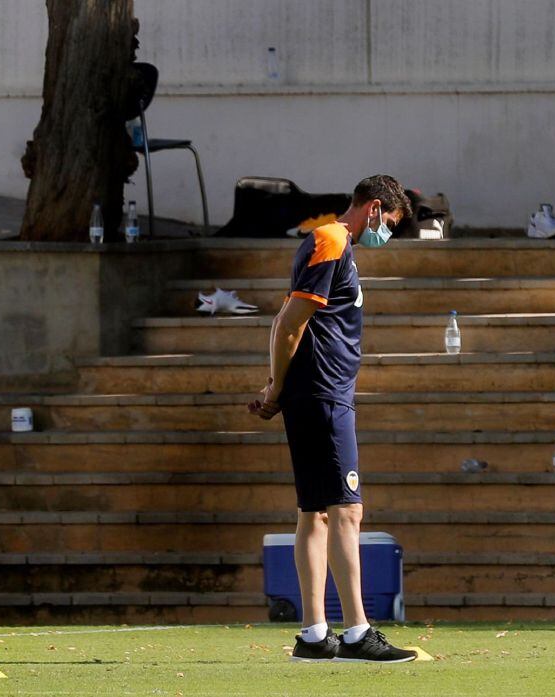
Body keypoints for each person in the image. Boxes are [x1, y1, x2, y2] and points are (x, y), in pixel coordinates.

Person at [248, 174, 416, 663]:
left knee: (315, 513)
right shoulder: (330, 239)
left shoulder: (334, 245)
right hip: (321, 394)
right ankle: (358, 631)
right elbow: (290, 322)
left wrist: (276, 385)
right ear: (375, 209)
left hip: (319, 391)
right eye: (391, 224)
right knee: (346, 509)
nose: (387, 235)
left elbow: (284, 321)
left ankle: (314, 634)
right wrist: (277, 388)